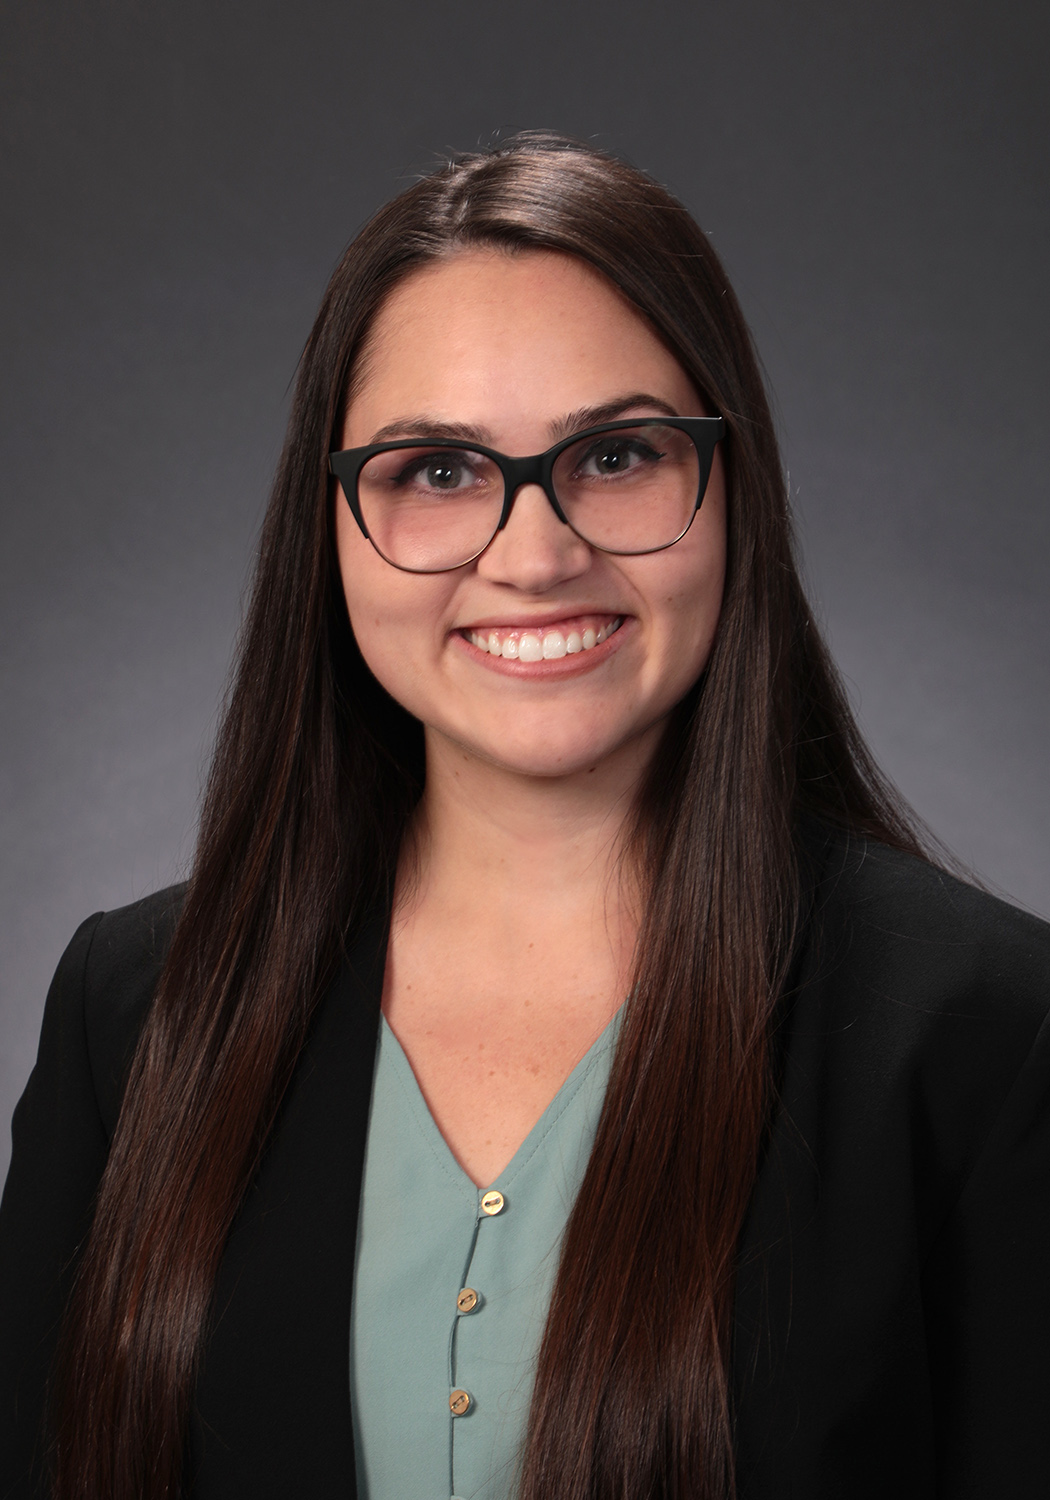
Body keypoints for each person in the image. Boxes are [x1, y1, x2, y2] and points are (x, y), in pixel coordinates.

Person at [1, 132, 1048, 1500]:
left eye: (616, 454)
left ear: (734, 492)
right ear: (329, 526)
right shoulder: (133, 1012)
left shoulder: (985, 1030)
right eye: (435, 470)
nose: (536, 554)